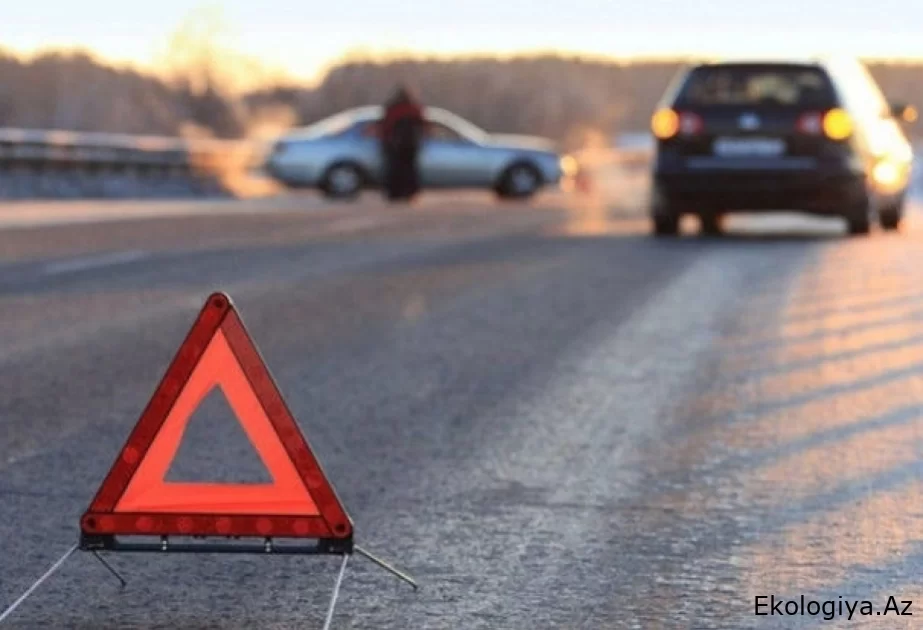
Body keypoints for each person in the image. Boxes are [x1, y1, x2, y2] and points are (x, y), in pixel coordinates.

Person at [379, 84, 425, 201]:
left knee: (394, 169)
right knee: (408, 170)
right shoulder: (414, 108)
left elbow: (385, 126)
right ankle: (408, 193)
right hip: (410, 145)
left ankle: (395, 193)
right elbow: (423, 126)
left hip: (394, 145)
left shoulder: (392, 108)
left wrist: (386, 141)